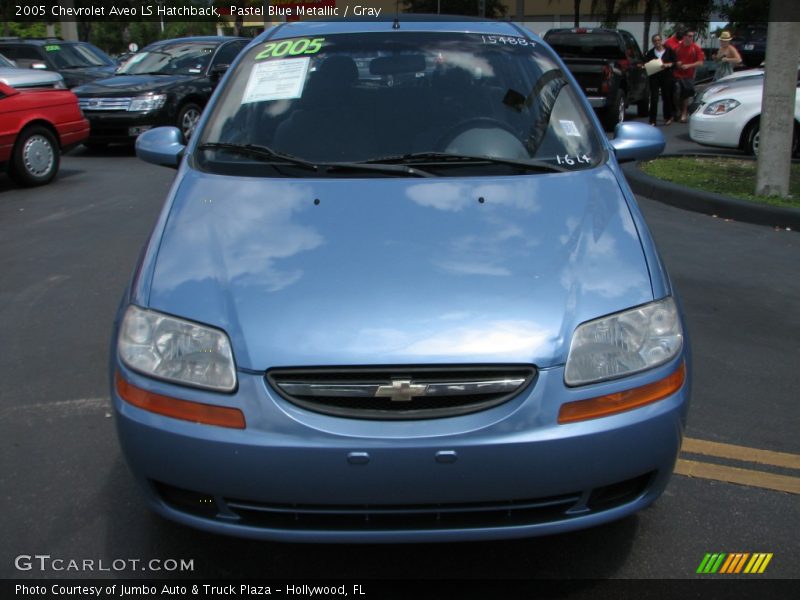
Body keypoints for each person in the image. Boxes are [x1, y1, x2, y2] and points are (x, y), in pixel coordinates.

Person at [645, 33, 676, 126]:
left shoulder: (669, 50)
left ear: (661, 41)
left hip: (666, 76)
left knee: (666, 96)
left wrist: (668, 64)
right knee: (654, 98)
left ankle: (668, 117)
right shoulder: (650, 53)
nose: (657, 42)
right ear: (653, 42)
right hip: (654, 76)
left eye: (658, 40)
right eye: (655, 41)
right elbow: (646, 64)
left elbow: (674, 62)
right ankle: (652, 120)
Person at [673, 30, 704, 123]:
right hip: (677, 74)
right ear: (684, 36)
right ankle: (678, 110)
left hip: (689, 75)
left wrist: (688, 65)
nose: (691, 38)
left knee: (686, 95)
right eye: (689, 36)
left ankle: (684, 113)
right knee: (676, 91)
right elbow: (672, 59)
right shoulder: (677, 47)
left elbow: (700, 62)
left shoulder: (695, 48)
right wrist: (677, 63)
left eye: (692, 36)